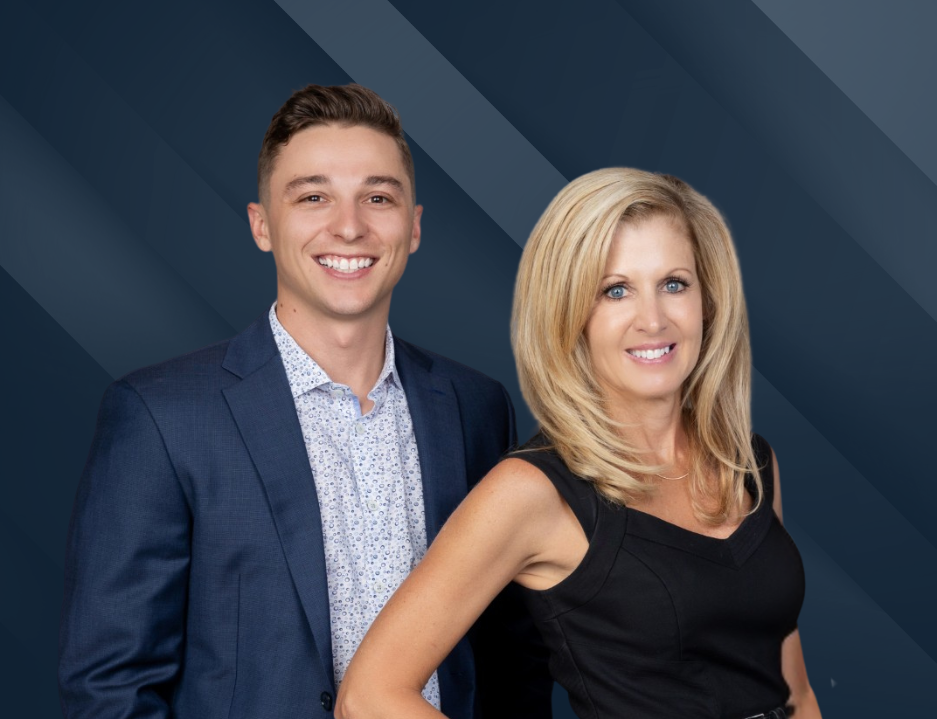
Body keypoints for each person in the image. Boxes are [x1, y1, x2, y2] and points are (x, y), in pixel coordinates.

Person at [58, 84, 551, 719]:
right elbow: (109, 688)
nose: (349, 226)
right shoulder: (160, 417)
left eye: (378, 197)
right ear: (262, 225)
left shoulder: (474, 407)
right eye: (313, 197)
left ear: (415, 226)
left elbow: (512, 663)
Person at [336, 169, 823, 719]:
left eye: (674, 284)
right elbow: (369, 695)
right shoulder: (532, 491)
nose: (654, 318)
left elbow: (795, 694)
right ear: (571, 314)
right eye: (615, 290)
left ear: (708, 302)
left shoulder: (751, 463)